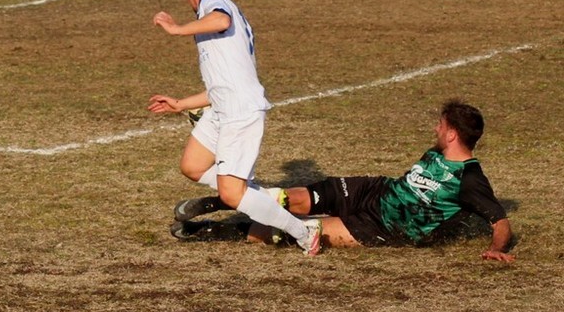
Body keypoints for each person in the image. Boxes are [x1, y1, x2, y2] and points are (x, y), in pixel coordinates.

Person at [182, 100, 515, 262]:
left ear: (453, 134)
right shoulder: (439, 151)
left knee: (298, 230)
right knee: (297, 197)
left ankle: (214, 229)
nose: (435, 130)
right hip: (373, 190)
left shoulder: (470, 179)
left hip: (384, 227)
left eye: (440, 126)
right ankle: (231, 197)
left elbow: (501, 223)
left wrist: (495, 250)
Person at [148, 0, 323, 255]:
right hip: (222, 107)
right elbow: (221, 85)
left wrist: (176, 29)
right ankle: (257, 196)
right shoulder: (215, 19)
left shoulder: (213, 3)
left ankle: (303, 231)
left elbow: (221, 20)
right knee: (192, 166)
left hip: (240, 111)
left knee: (231, 194)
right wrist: (181, 104)